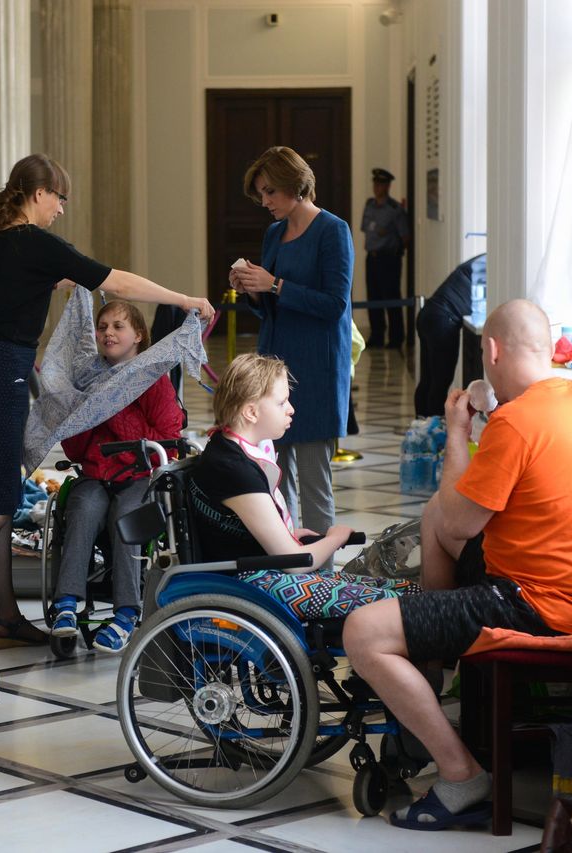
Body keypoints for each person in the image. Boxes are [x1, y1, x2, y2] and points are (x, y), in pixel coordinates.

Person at [341, 299, 572, 831]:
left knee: (362, 632)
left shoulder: (517, 421)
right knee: (430, 521)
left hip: (537, 603)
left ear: (491, 351)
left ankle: (461, 776)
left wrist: (457, 431)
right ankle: (430, 678)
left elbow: (458, 520)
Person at [0, 154, 214, 646]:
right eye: (60, 198)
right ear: (40, 193)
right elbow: (117, 281)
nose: (62, 209)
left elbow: (17, 287)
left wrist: (55, 280)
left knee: (0, 498)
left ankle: (5, 617)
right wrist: (182, 300)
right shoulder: (37, 241)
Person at [188, 354, 416, 621]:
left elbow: (236, 529)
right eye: (282, 402)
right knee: (406, 600)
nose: (291, 409)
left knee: (408, 590)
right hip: (253, 584)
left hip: (258, 571)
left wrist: (290, 533)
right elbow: (295, 563)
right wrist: (335, 538)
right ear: (251, 412)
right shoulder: (233, 468)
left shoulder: (227, 449)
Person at [228, 146, 353, 570]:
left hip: (316, 367)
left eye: (270, 192)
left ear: (296, 186)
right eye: (261, 194)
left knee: (315, 478)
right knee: (274, 476)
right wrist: (253, 290)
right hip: (274, 367)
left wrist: (275, 284)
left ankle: (322, 577)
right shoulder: (273, 234)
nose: (265, 202)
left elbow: (334, 304)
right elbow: (271, 308)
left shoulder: (333, 231)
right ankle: (288, 567)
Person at [50, 301, 184, 653]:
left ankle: (127, 611)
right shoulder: (88, 378)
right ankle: (66, 603)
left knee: (127, 517)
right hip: (95, 473)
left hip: (139, 474)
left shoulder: (153, 378)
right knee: (82, 511)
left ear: (138, 335)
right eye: (103, 326)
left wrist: (112, 406)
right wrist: (87, 408)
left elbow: (167, 441)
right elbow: (75, 448)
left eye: (118, 326)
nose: (108, 332)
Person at [414, 253, 486, 416]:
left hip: (429, 313)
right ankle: (434, 429)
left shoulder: (479, 261)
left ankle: (421, 426)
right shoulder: (488, 266)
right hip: (443, 320)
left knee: (428, 380)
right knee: (439, 383)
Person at [360, 168, 411, 349]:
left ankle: (396, 337)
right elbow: (366, 228)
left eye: (380, 184)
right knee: (373, 298)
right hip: (372, 258)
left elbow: (405, 237)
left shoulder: (395, 210)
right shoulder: (369, 205)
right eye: (375, 183)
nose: (376, 187)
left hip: (388, 259)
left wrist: (393, 251)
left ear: (388, 186)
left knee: (391, 297)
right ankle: (377, 336)